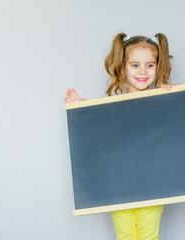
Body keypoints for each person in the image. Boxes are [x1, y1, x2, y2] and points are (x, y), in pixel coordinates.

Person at [64, 32, 173, 240]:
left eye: (150, 65)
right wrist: (80, 112)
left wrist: (172, 97)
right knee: (125, 236)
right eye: (135, 65)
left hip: (153, 185)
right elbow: (97, 141)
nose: (143, 71)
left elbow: (175, 131)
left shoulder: (162, 100)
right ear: (123, 67)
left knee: (149, 235)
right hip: (118, 186)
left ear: (158, 67)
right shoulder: (109, 110)